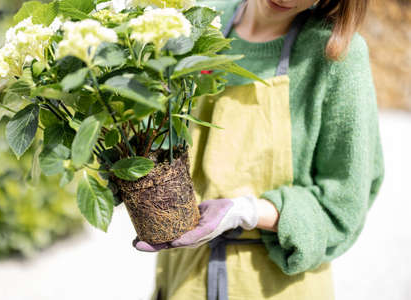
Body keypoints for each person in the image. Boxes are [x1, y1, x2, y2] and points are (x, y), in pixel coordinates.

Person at [133, 0, 385, 299]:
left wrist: (245, 212)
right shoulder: (197, 26)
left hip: (274, 285)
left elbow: (344, 204)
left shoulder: (335, 53)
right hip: (185, 278)